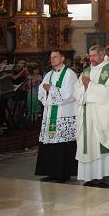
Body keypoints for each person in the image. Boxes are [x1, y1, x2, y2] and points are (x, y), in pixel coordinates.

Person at [73, 45, 109, 187]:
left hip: (101, 116)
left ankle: (102, 176)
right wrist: (85, 87)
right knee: (88, 144)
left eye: (94, 55)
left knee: (99, 143)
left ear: (101, 55)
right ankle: (89, 176)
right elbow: (76, 90)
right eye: (90, 56)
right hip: (87, 114)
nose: (91, 59)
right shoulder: (86, 71)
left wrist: (90, 86)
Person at [35, 50, 78, 182]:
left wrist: (52, 89)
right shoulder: (48, 74)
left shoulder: (70, 75)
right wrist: (46, 92)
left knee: (63, 144)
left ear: (62, 58)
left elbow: (70, 94)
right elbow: (41, 90)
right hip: (51, 113)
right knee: (50, 143)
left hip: (64, 113)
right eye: (51, 57)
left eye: (55, 57)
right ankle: (51, 172)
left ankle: (63, 174)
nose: (52, 59)